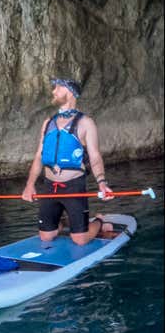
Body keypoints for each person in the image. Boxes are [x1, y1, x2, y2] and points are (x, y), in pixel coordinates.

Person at [21, 77, 114, 245]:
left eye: (57, 88)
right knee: (46, 236)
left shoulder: (86, 123)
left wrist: (101, 182)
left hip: (73, 186)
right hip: (49, 186)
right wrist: (30, 184)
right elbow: (38, 156)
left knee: (80, 240)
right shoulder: (48, 123)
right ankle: (61, 222)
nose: (53, 91)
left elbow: (95, 156)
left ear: (70, 92)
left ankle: (99, 221)